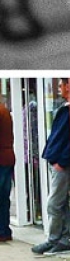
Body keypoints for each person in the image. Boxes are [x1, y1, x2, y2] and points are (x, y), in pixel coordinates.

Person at [31, 77, 70, 255]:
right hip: (56, 162)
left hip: (61, 165)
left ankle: (54, 239)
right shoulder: (64, 109)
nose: (60, 89)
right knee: (61, 202)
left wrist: (61, 161)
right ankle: (63, 239)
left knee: (54, 203)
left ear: (69, 87)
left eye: (62, 85)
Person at [0, 94, 14, 242]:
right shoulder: (4, 111)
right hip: (6, 158)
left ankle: (2, 230)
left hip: (2, 159)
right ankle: (4, 230)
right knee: (4, 198)